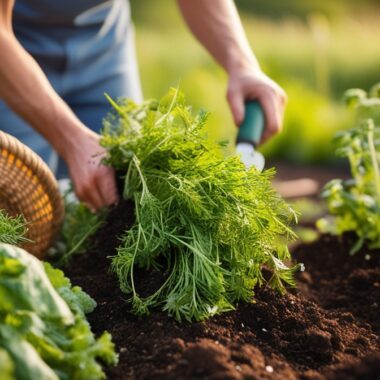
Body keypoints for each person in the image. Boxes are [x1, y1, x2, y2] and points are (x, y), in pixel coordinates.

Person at [0, 0, 287, 211]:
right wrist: (72, 140)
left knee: (127, 198)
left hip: (102, 43)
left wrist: (241, 64)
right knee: (21, 217)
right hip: (10, 53)